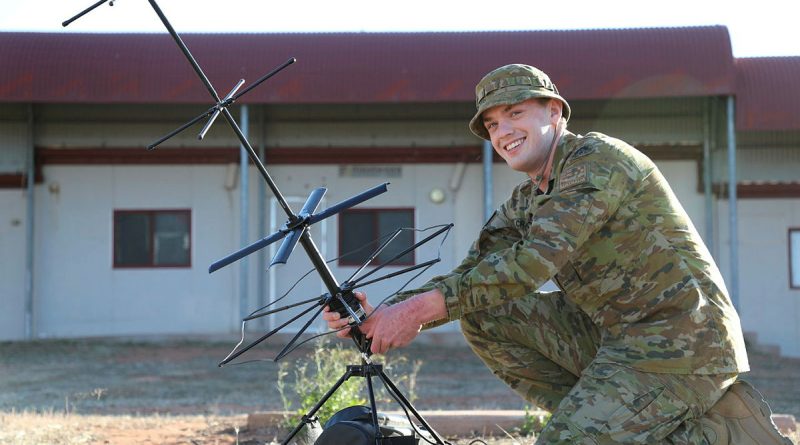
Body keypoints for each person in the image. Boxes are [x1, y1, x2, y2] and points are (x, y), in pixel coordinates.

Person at [323, 64, 790, 444]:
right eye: (491, 124)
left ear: (555, 112)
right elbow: (474, 274)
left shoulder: (598, 161)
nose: (502, 131)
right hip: (616, 342)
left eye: (515, 114)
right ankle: (620, 419)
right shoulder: (527, 200)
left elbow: (530, 266)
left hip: (682, 347)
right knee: (485, 313)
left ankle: (698, 433)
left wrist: (414, 311)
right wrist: (384, 313)